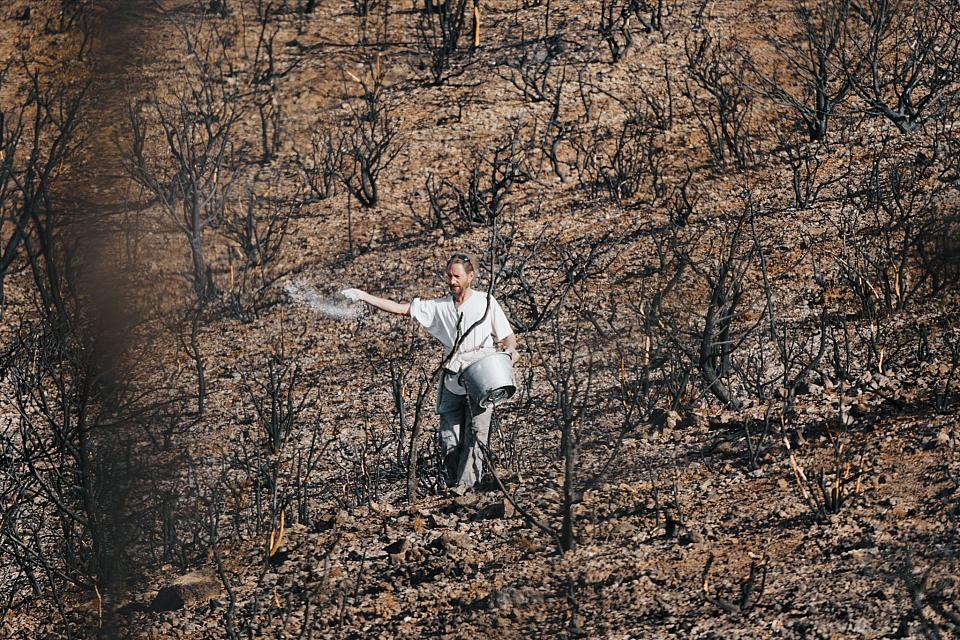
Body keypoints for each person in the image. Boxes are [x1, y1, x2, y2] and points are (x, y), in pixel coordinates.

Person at [342, 252, 518, 495]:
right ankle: (457, 483)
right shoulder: (439, 307)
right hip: (453, 374)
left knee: (477, 433)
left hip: (483, 373)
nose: (452, 280)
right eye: (449, 275)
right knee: (448, 437)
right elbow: (402, 309)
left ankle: (466, 488)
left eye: (457, 276)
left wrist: (510, 352)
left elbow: (508, 337)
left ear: (471, 276)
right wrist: (363, 296)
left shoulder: (486, 301)